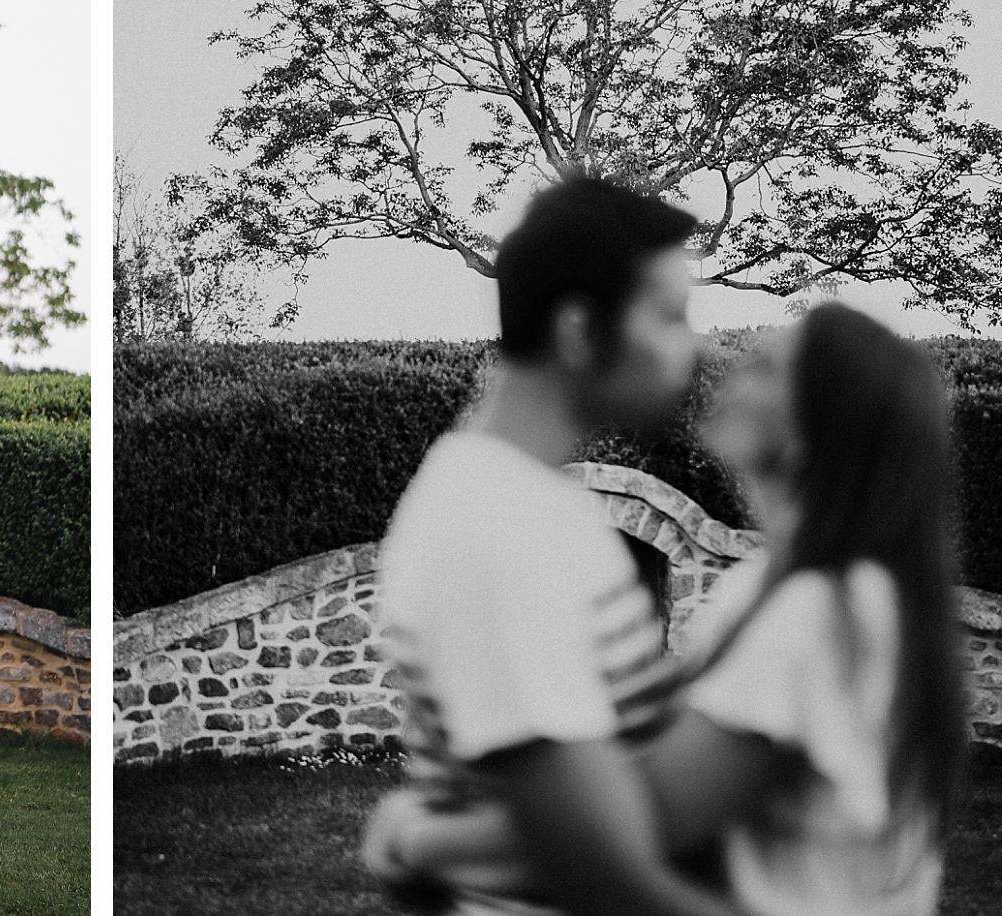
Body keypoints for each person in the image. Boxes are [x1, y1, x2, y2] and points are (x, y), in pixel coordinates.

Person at [375, 304, 968, 916]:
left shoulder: (817, 612)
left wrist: (411, 839)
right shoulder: (795, 588)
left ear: (810, 431)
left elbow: (629, 831)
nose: (727, 367)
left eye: (765, 367)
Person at [363, 175, 744, 916]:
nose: (690, 347)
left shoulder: (527, 504)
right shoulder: (497, 526)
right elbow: (600, 866)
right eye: (668, 315)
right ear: (577, 330)